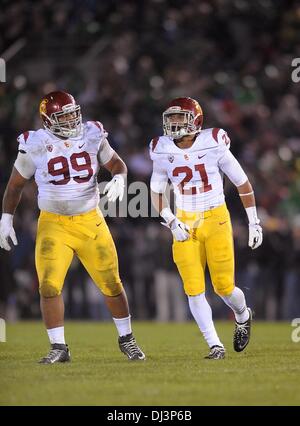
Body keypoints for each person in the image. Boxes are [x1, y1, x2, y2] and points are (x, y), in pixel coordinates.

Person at [0, 90, 145, 363]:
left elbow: (117, 164)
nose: (71, 120)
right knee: (48, 286)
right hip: (53, 224)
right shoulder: (35, 143)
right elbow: (15, 186)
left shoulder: (91, 134)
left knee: (112, 283)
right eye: (63, 116)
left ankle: (128, 339)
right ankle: (59, 347)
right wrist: (6, 218)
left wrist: (120, 178)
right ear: (47, 120)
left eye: (72, 113)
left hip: (90, 219)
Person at [150, 97, 263, 359]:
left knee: (223, 286)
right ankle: (215, 345)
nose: (174, 123)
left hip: (216, 218)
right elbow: (155, 191)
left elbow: (242, 184)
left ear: (196, 121)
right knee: (193, 287)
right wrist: (170, 219)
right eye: (172, 118)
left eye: (180, 118)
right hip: (184, 220)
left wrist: (253, 221)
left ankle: (243, 314)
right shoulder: (160, 148)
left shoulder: (214, 142)